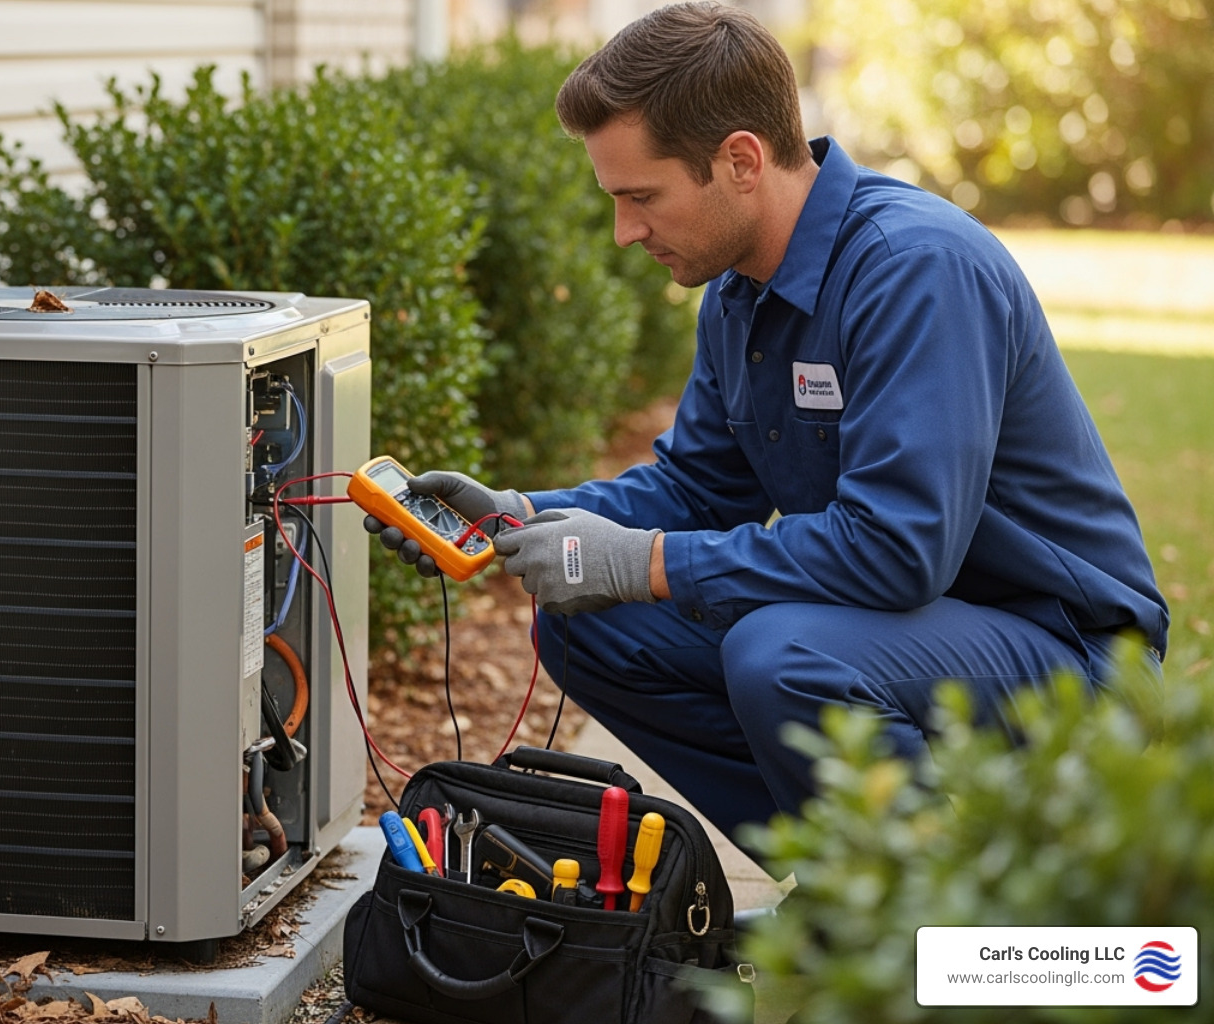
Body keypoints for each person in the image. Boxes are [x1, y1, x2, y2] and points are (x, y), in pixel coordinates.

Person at [366, 1, 1167, 837]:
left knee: (785, 656)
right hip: (904, 633)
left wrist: (647, 563)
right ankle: (836, 877)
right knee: (590, 629)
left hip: (1066, 651)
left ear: (741, 160)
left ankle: (909, 913)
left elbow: (899, 551)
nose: (623, 231)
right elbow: (699, 489)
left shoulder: (914, 271)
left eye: (642, 196)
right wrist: (522, 515)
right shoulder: (738, 292)